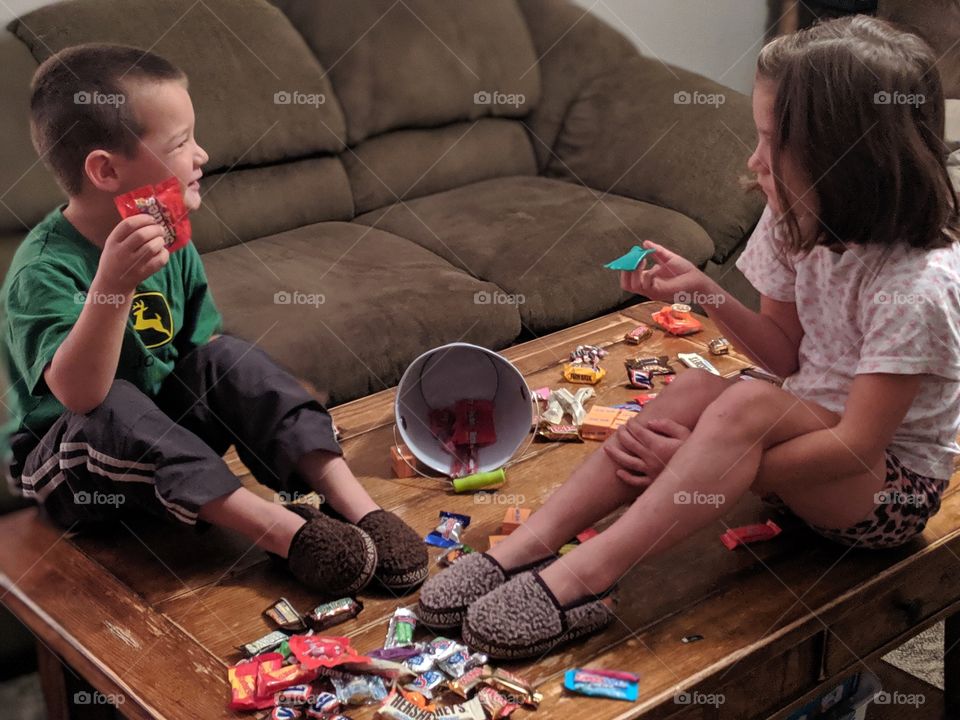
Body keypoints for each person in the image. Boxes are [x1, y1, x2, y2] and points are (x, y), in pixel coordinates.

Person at [418, 15, 960, 659]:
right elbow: (785, 356)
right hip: (804, 437)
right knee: (698, 389)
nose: (753, 161)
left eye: (769, 142)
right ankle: (526, 546)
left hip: (882, 493)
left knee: (746, 405)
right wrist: (702, 292)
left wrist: (710, 466)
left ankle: (582, 579)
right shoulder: (795, 220)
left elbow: (855, 446)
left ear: (847, 158)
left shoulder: (920, 286)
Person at [1, 44, 428, 596]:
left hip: (165, 447)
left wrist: (261, 405)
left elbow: (202, 354)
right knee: (113, 405)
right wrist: (112, 286)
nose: (201, 155)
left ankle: (358, 508)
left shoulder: (168, 233)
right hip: (73, 470)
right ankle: (284, 532)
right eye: (180, 143)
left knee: (229, 356)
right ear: (106, 170)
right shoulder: (43, 270)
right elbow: (82, 398)